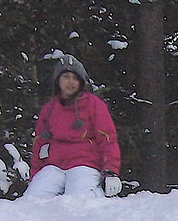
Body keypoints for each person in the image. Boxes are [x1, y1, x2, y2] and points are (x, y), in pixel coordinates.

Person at [24, 55, 121, 198]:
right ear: (58, 81)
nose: (71, 82)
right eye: (66, 77)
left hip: (84, 164)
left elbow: (107, 139)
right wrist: (35, 175)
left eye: (75, 78)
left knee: (79, 201)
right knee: (32, 199)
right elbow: (40, 143)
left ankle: (97, 195)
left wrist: (110, 171)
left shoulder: (94, 105)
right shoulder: (49, 109)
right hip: (54, 166)